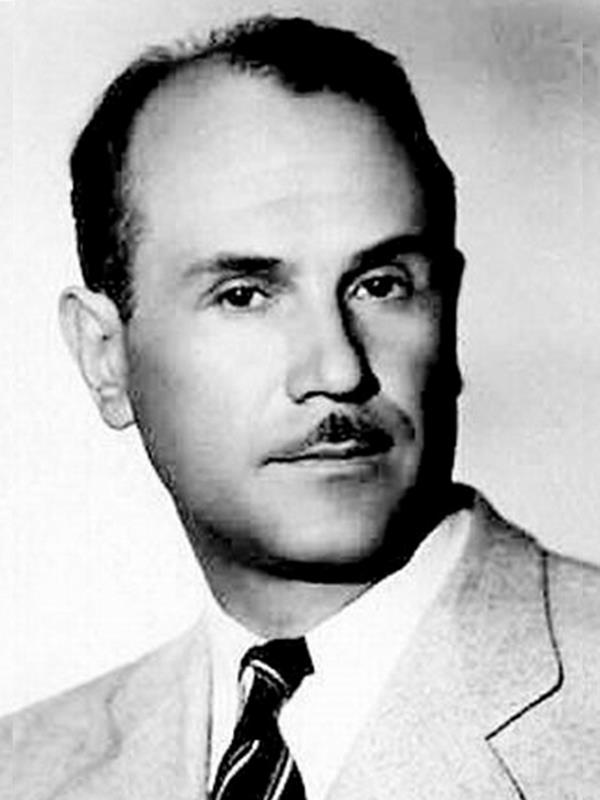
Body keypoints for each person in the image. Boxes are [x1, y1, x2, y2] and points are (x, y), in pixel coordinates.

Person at [3, 15, 599, 800]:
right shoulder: (25, 769)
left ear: (448, 312)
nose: (339, 369)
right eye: (245, 295)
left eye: (381, 285)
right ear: (104, 357)